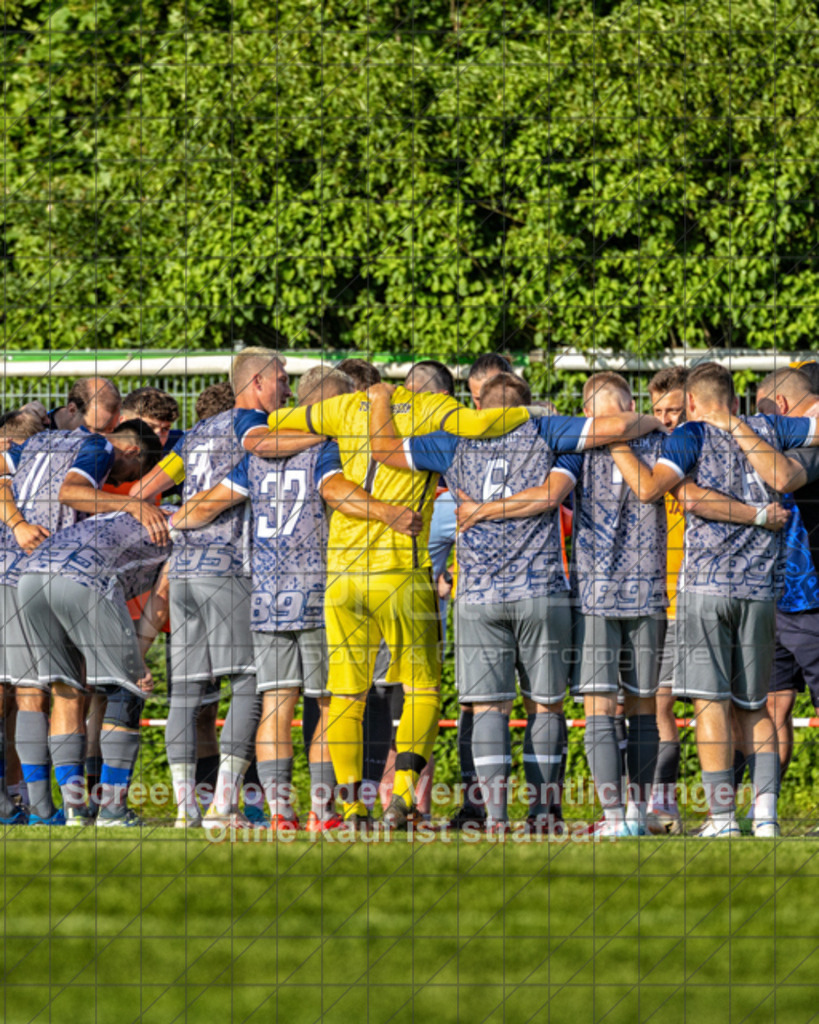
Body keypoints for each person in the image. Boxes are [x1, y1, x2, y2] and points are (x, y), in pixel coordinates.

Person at [266, 359, 533, 829]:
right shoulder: (435, 409)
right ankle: (403, 798)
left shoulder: (344, 408)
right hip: (402, 573)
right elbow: (489, 420)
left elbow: (275, 422)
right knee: (423, 687)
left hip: (343, 578)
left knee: (347, 694)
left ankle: (350, 807)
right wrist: (536, 416)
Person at [173, 365, 425, 830]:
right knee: (330, 705)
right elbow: (335, 492)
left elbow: (207, 505)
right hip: (314, 592)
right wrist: (387, 512)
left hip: (266, 596)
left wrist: (169, 521)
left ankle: (279, 812)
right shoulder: (327, 448)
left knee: (275, 705)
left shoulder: (259, 456)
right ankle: (321, 809)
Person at [608, 362, 817, 838]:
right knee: (756, 706)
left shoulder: (689, 436)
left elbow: (668, 493)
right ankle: (765, 817)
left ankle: (722, 818)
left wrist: (616, 441)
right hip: (761, 591)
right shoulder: (772, 427)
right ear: (735, 399)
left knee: (711, 706)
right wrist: (762, 513)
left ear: (694, 404)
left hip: (705, 588)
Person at [129, 349, 325, 827]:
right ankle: (223, 804)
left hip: (185, 571)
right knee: (250, 685)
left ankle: (183, 809)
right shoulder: (250, 424)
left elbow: (141, 490)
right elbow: (262, 447)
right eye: (280, 379)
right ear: (255, 382)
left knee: (186, 693)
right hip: (231, 571)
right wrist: (331, 433)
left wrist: (155, 516)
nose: (284, 388)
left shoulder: (194, 436)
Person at [18, 495, 169, 827]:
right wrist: (137, 658)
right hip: (84, 578)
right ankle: (113, 811)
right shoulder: (185, 530)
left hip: (28, 580)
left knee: (65, 691)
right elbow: (162, 596)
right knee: (126, 690)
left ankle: (74, 810)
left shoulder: (119, 517)